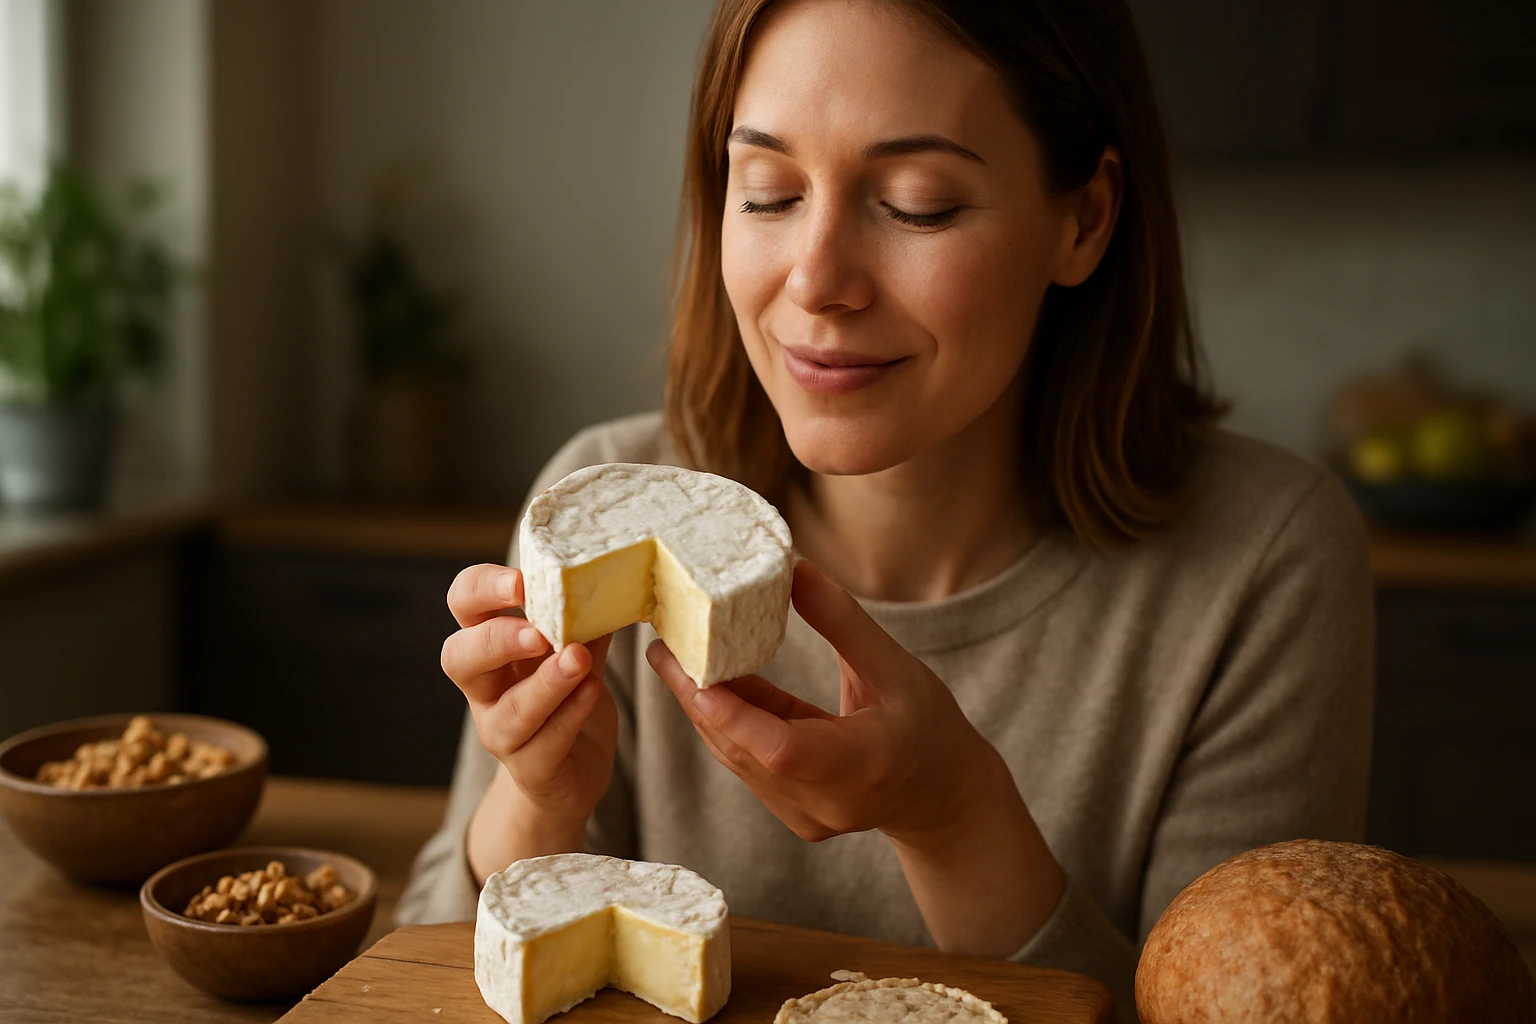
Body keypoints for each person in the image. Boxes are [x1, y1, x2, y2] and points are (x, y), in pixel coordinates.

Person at [397, 1, 1374, 1020]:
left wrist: (954, 817)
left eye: (918, 205)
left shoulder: (1266, 562)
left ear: (1083, 219)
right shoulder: (601, 509)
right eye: (769, 193)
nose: (817, 280)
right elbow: (412, 980)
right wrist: (539, 801)